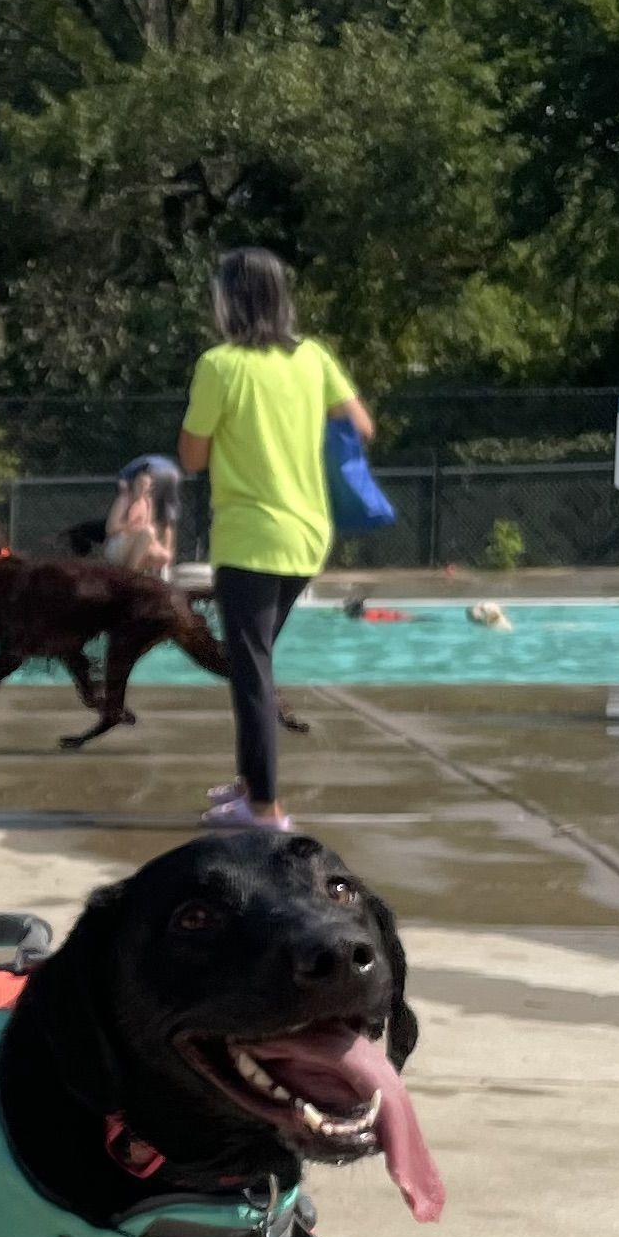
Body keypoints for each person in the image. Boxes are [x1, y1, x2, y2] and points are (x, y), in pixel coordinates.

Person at [176, 247, 371, 831]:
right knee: (250, 664)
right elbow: (360, 424)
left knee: (251, 669)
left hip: (250, 539)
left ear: (229, 300)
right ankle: (248, 785)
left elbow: (191, 456)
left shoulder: (220, 364)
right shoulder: (312, 357)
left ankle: (264, 808)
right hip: (307, 535)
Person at [103, 455, 182, 574]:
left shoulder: (148, 502)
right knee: (148, 532)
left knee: (163, 555)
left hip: (137, 541)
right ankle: (129, 574)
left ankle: (144, 576)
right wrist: (130, 526)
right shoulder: (124, 500)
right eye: (139, 483)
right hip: (117, 545)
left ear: (150, 487)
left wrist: (161, 550)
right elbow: (110, 528)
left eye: (145, 485)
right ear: (133, 482)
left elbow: (152, 528)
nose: (142, 488)